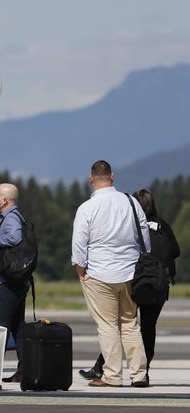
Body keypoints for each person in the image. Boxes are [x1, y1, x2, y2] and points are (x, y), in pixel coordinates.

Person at [79, 188, 181, 383]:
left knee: (119, 325)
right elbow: (175, 250)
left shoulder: (132, 224)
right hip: (157, 285)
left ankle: (102, 367)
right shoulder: (163, 226)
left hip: (133, 281)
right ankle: (143, 372)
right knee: (147, 328)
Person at [72, 160, 149, 388]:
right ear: (112, 177)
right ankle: (139, 374)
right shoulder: (131, 202)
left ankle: (113, 376)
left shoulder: (87, 208)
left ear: (91, 179)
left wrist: (81, 272)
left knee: (107, 326)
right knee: (130, 324)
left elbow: (79, 245)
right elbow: (144, 236)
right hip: (129, 272)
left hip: (99, 272)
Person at [0, 183, 30, 383]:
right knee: (18, 327)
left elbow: (15, 238)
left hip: (9, 282)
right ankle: (24, 369)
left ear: (3, 200)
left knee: (0, 326)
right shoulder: (16, 216)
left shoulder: (11, 218)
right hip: (18, 282)